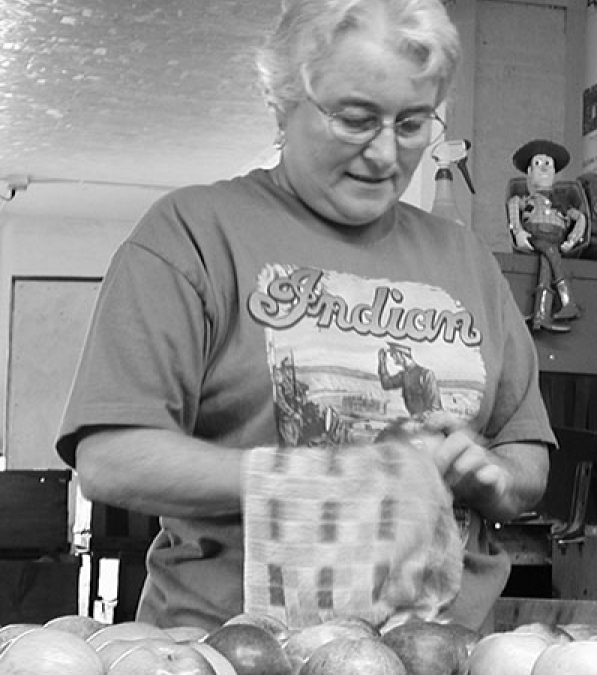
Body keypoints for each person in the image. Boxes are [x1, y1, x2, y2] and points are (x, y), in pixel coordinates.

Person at [56, 0, 554, 633]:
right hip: (228, 653)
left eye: (411, 124)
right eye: (355, 119)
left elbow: (526, 456)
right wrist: (320, 476)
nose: (383, 154)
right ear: (282, 102)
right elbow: (110, 459)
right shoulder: (191, 236)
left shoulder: (466, 258)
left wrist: (492, 478)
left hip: (443, 651)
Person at [507, 139, 587, 332]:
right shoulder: (526, 201)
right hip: (536, 237)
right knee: (550, 252)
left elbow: (581, 219)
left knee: (546, 268)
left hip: (557, 239)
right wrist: (518, 232)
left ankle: (540, 316)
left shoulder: (562, 203)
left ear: (554, 171)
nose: (543, 168)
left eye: (548, 164)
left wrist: (572, 239)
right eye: (537, 164)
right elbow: (512, 206)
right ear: (529, 172)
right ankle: (568, 301)